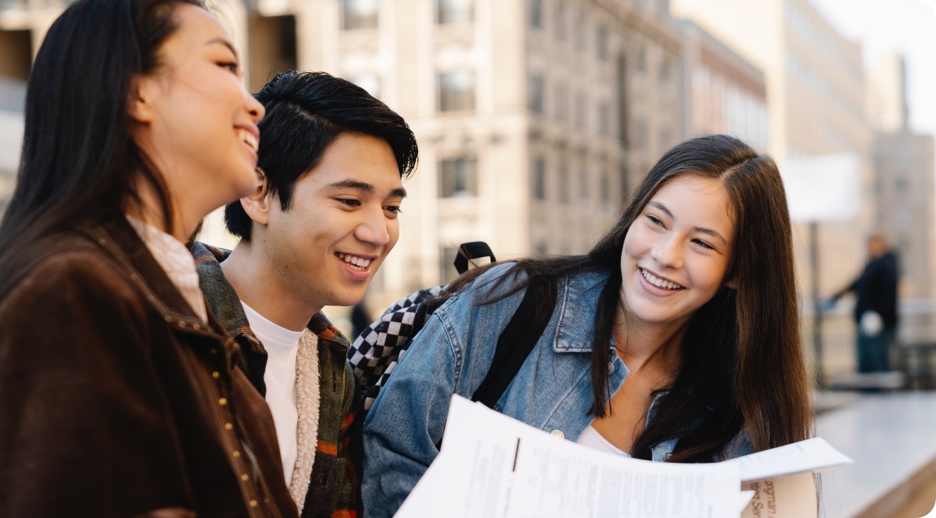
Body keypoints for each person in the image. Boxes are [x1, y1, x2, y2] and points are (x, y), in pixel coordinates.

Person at [0, 1, 300, 516]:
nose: (255, 106)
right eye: (224, 66)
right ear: (135, 92)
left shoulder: (168, 294)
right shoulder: (71, 291)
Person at [361, 134, 813, 517]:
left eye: (701, 243)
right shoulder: (514, 300)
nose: (665, 255)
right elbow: (392, 450)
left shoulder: (739, 413)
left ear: (736, 270)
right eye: (656, 221)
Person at [193, 71, 418, 517]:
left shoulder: (335, 373)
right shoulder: (173, 320)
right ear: (258, 194)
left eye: (391, 208)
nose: (378, 233)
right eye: (350, 202)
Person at [828, 233, 899, 373]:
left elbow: (888, 295)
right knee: (868, 358)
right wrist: (835, 296)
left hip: (877, 322)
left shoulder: (886, 265)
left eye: (871, 245)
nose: (869, 248)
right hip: (870, 319)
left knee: (876, 359)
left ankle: (878, 391)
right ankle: (872, 389)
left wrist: (878, 315)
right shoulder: (873, 264)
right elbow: (857, 283)